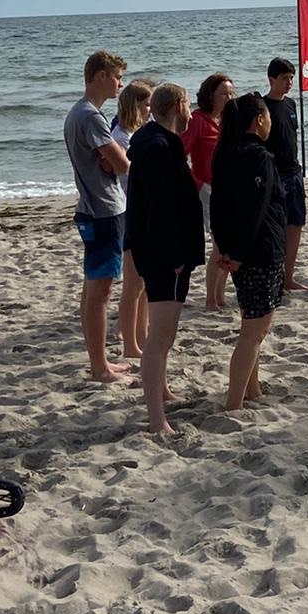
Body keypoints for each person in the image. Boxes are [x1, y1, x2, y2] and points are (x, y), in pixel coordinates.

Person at [127, 83, 206, 437]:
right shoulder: (158, 147)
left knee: (164, 337)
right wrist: (174, 256)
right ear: (178, 106)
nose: (191, 110)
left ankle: (162, 391)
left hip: (163, 252)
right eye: (188, 104)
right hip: (164, 255)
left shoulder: (157, 143)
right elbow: (160, 212)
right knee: (160, 337)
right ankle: (157, 420)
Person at [211, 92, 287, 412]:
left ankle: (252, 389)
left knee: (255, 327)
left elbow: (217, 208)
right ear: (259, 120)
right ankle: (233, 404)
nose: (270, 120)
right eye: (267, 115)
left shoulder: (226, 153)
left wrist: (225, 249)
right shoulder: (256, 156)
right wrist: (236, 253)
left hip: (244, 253)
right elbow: (255, 211)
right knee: (253, 331)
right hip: (259, 254)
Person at [62, 50, 130, 381]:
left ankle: (99, 360)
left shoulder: (80, 113)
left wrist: (110, 161)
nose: (120, 83)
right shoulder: (90, 116)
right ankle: (99, 366)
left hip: (94, 208)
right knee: (100, 292)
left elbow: (110, 161)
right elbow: (122, 164)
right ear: (101, 75)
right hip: (102, 209)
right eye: (117, 76)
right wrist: (115, 161)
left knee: (93, 290)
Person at [182, 72, 235, 311]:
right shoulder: (197, 120)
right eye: (223, 93)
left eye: (230, 93)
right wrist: (199, 184)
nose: (228, 97)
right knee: (219, 244)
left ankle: (221, 296)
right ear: (210, 95)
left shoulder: (228, 120)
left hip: (229, 187)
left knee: (229, 244)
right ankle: (210, 299)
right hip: (207, 188)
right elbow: (179, 156)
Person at [112, 80, 153, 359]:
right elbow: (128, 177)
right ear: (134, 105)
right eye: (146, 104)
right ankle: (130, 343)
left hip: (143, 211)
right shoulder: (121, 137)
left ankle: (142, 335)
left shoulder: (139, 133)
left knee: (145, 283)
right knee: (133, 285)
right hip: (130, 212)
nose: (150, 110)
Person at [264, 58, 306, 290]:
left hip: (294, 173)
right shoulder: (262, 106)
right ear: (272, 79)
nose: (289, 82)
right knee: (275, 229)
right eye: (284, 78)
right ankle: (274, 278)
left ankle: (288, 277)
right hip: (273, 176)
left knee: (295, 225)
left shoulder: (291, 104)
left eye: (291, 78)